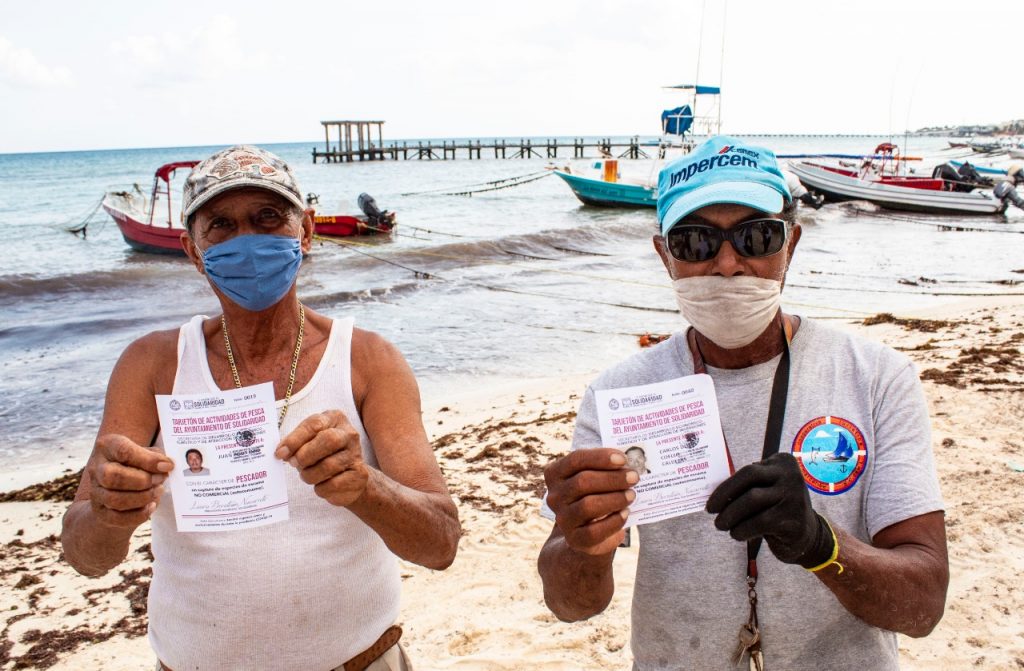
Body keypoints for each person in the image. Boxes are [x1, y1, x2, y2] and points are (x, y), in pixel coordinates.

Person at [538, 136, 948, 670]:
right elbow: (571, 605)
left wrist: (819, 543)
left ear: (790, 245)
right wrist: (581, 541)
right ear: (665, 256)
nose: (728, 263)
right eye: (695, 242)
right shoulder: (619, 394)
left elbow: (923, 606)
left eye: (756, 237)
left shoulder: (876, 378)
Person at [61, 145, 460, 671]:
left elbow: (440, 543)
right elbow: (86, 556)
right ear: (193, 250)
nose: (246, 241)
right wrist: (110, 513)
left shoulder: (366, 360)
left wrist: (366, 487)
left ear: (305, 231)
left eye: (268, 217)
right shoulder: (153, 365)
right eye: (221, 225)